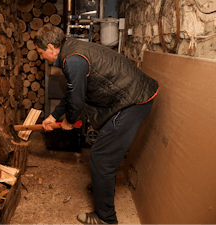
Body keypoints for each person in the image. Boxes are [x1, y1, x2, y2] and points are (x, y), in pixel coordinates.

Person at [34, 25, 159, 225]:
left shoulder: (72, 60)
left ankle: (106, 218)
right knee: (102, 153)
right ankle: (103, 186)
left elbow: (76, 99)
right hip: (133, 96)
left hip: (132, 102)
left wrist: (68, 121)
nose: (42, 58)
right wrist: (54, 115)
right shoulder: (72, 50)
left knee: (101, 158)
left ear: (50, 47)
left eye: (41, 53)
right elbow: (74, 91)